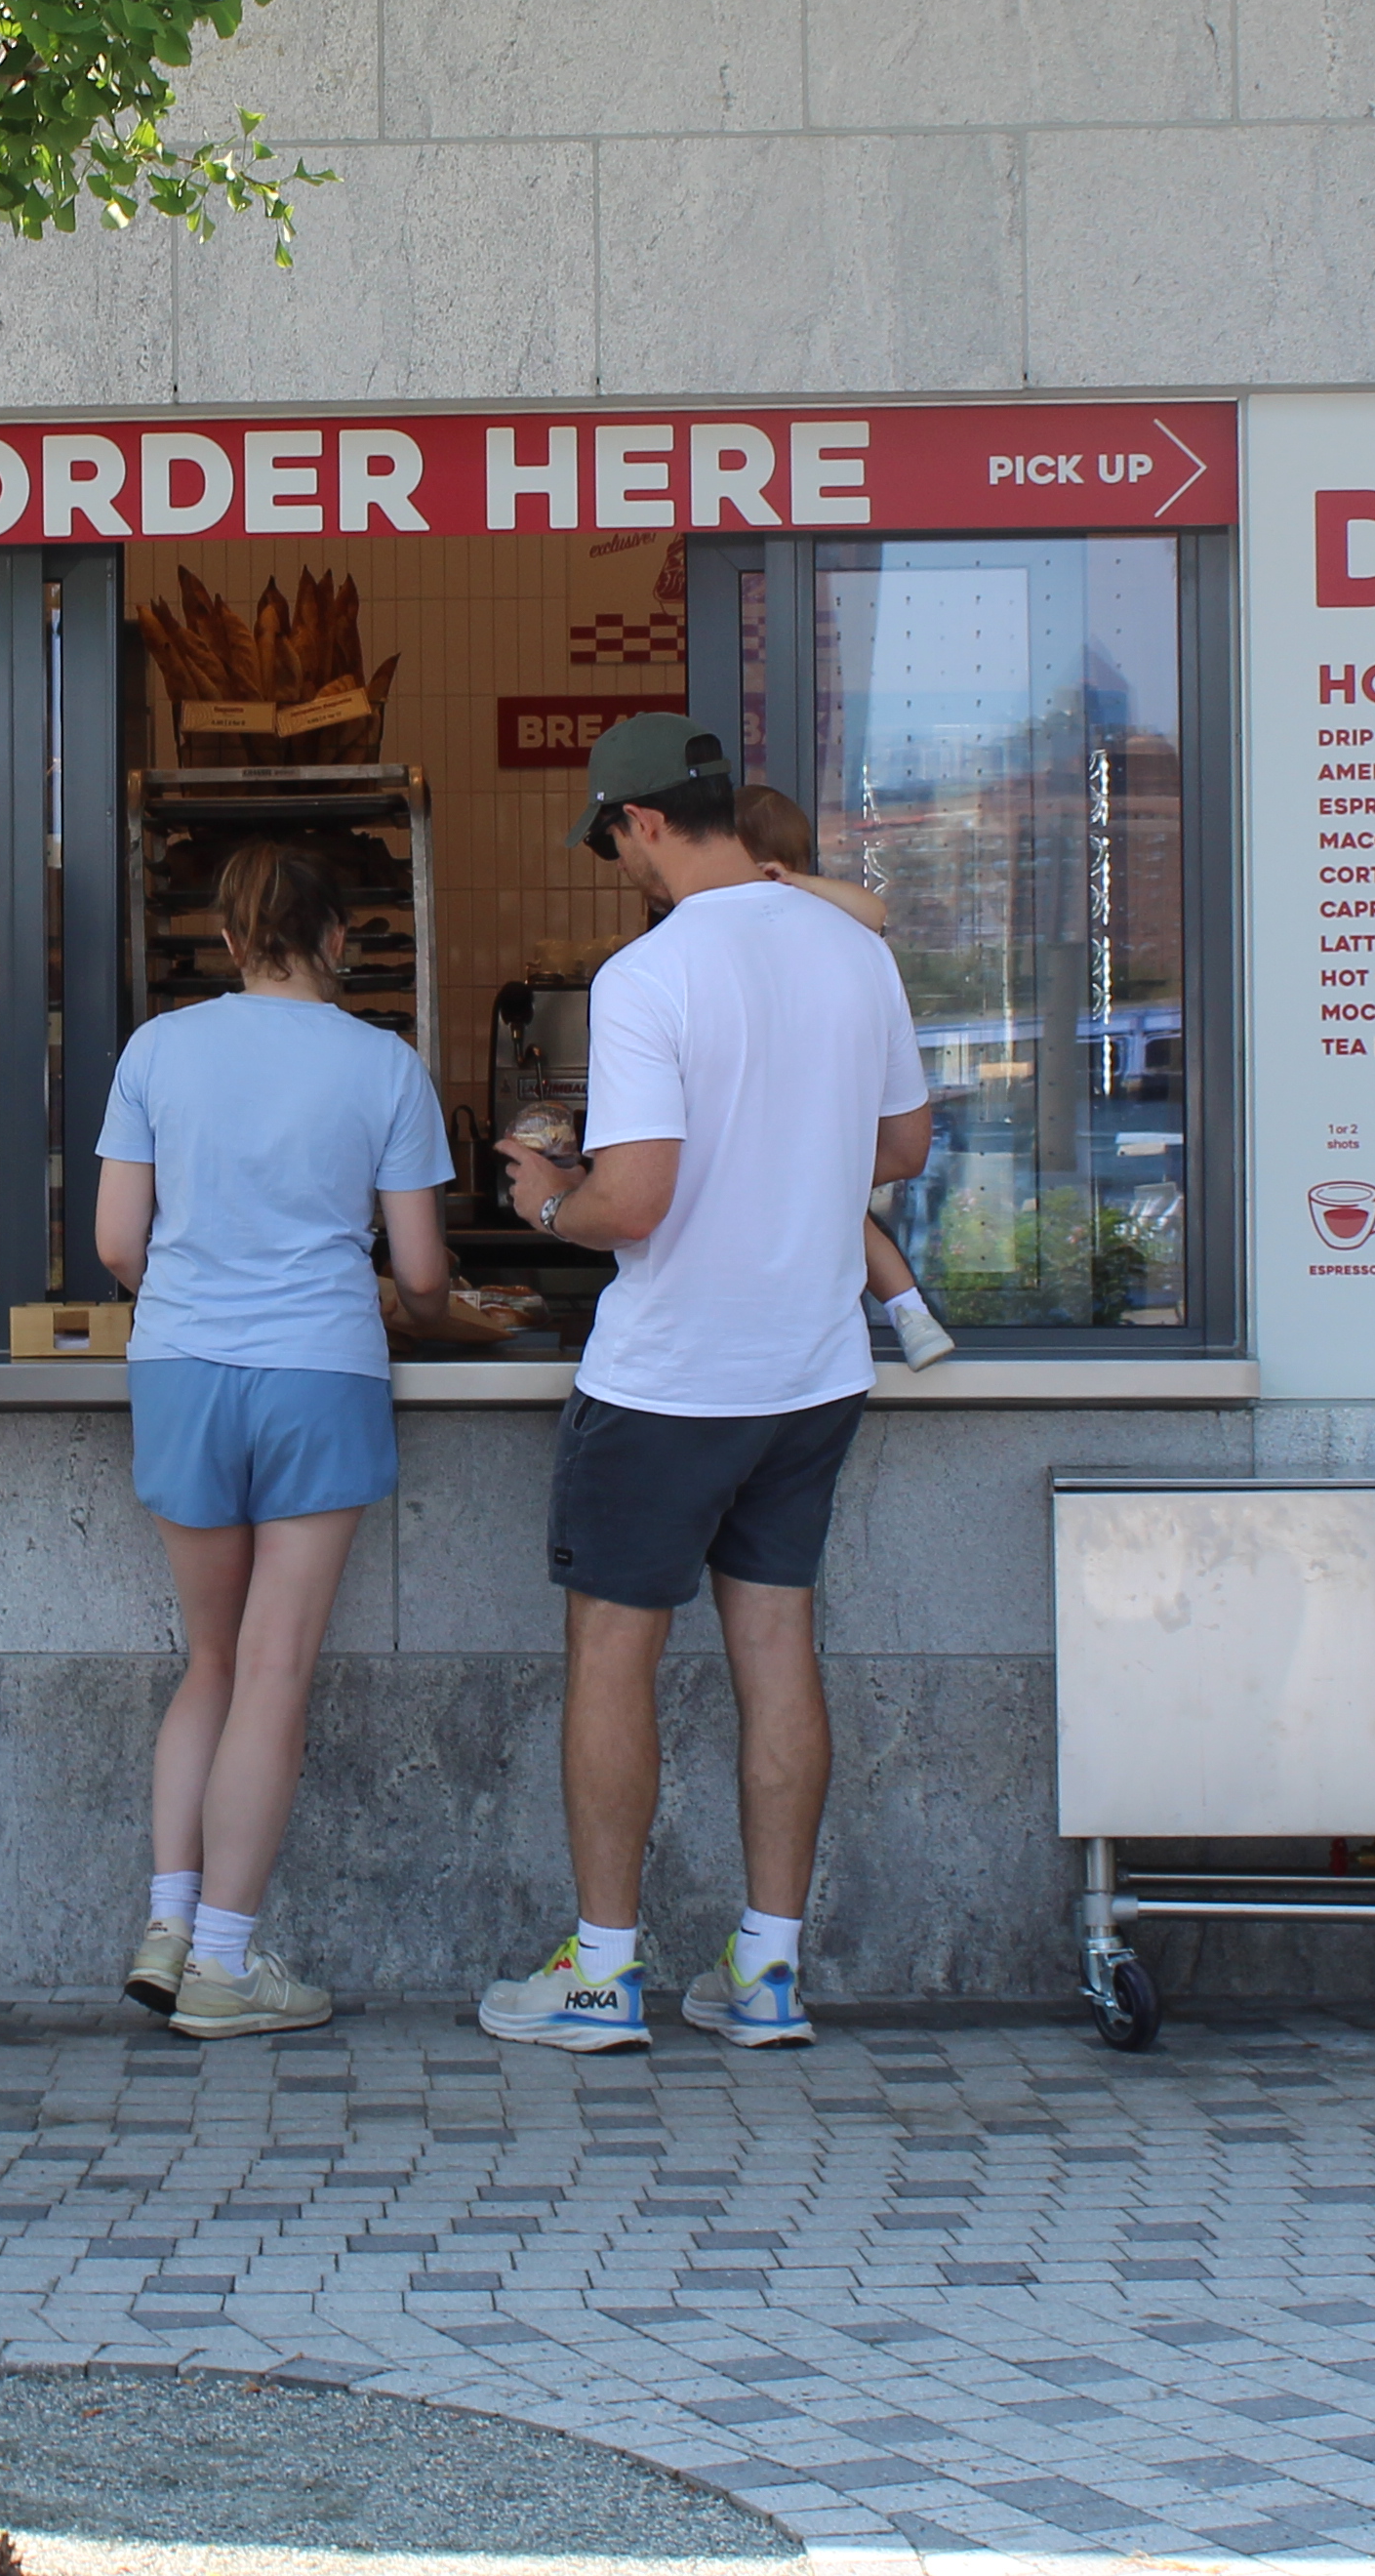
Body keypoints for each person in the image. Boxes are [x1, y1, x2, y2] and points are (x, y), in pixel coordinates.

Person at [477, 716, 930, 2059]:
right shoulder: (855, 953)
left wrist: (546, 1199)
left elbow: (637, 1199)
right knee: (777, 1649)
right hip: (811, 1367)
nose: (621, 860)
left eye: (615, 836)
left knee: (616, 1655)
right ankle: (769, 1973)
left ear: (648, 823)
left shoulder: (648, 974)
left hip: (672, 1377)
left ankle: (606, 1971)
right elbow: (902, 1140)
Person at [89, 838, 450, 2039]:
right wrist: (429, 1310)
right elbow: (423, 1271)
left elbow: (117, 1248)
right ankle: (229, 1968)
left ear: (232, 941)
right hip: (318, 1370)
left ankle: (169, 1925)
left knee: (213, 1664)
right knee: (276, 1667)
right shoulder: (384, 1064)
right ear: (342, 938)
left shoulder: (158, 1050)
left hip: (182, 1369)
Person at [734, 786, 959, 1373]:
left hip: (788, 1122)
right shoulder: (824, 943)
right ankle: (909, 1310)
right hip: (810, 1122)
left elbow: (875, 913)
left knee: (834, 1208)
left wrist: (793, 883)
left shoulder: (805, 915)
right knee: (839, 1208)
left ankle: (907, 1310)